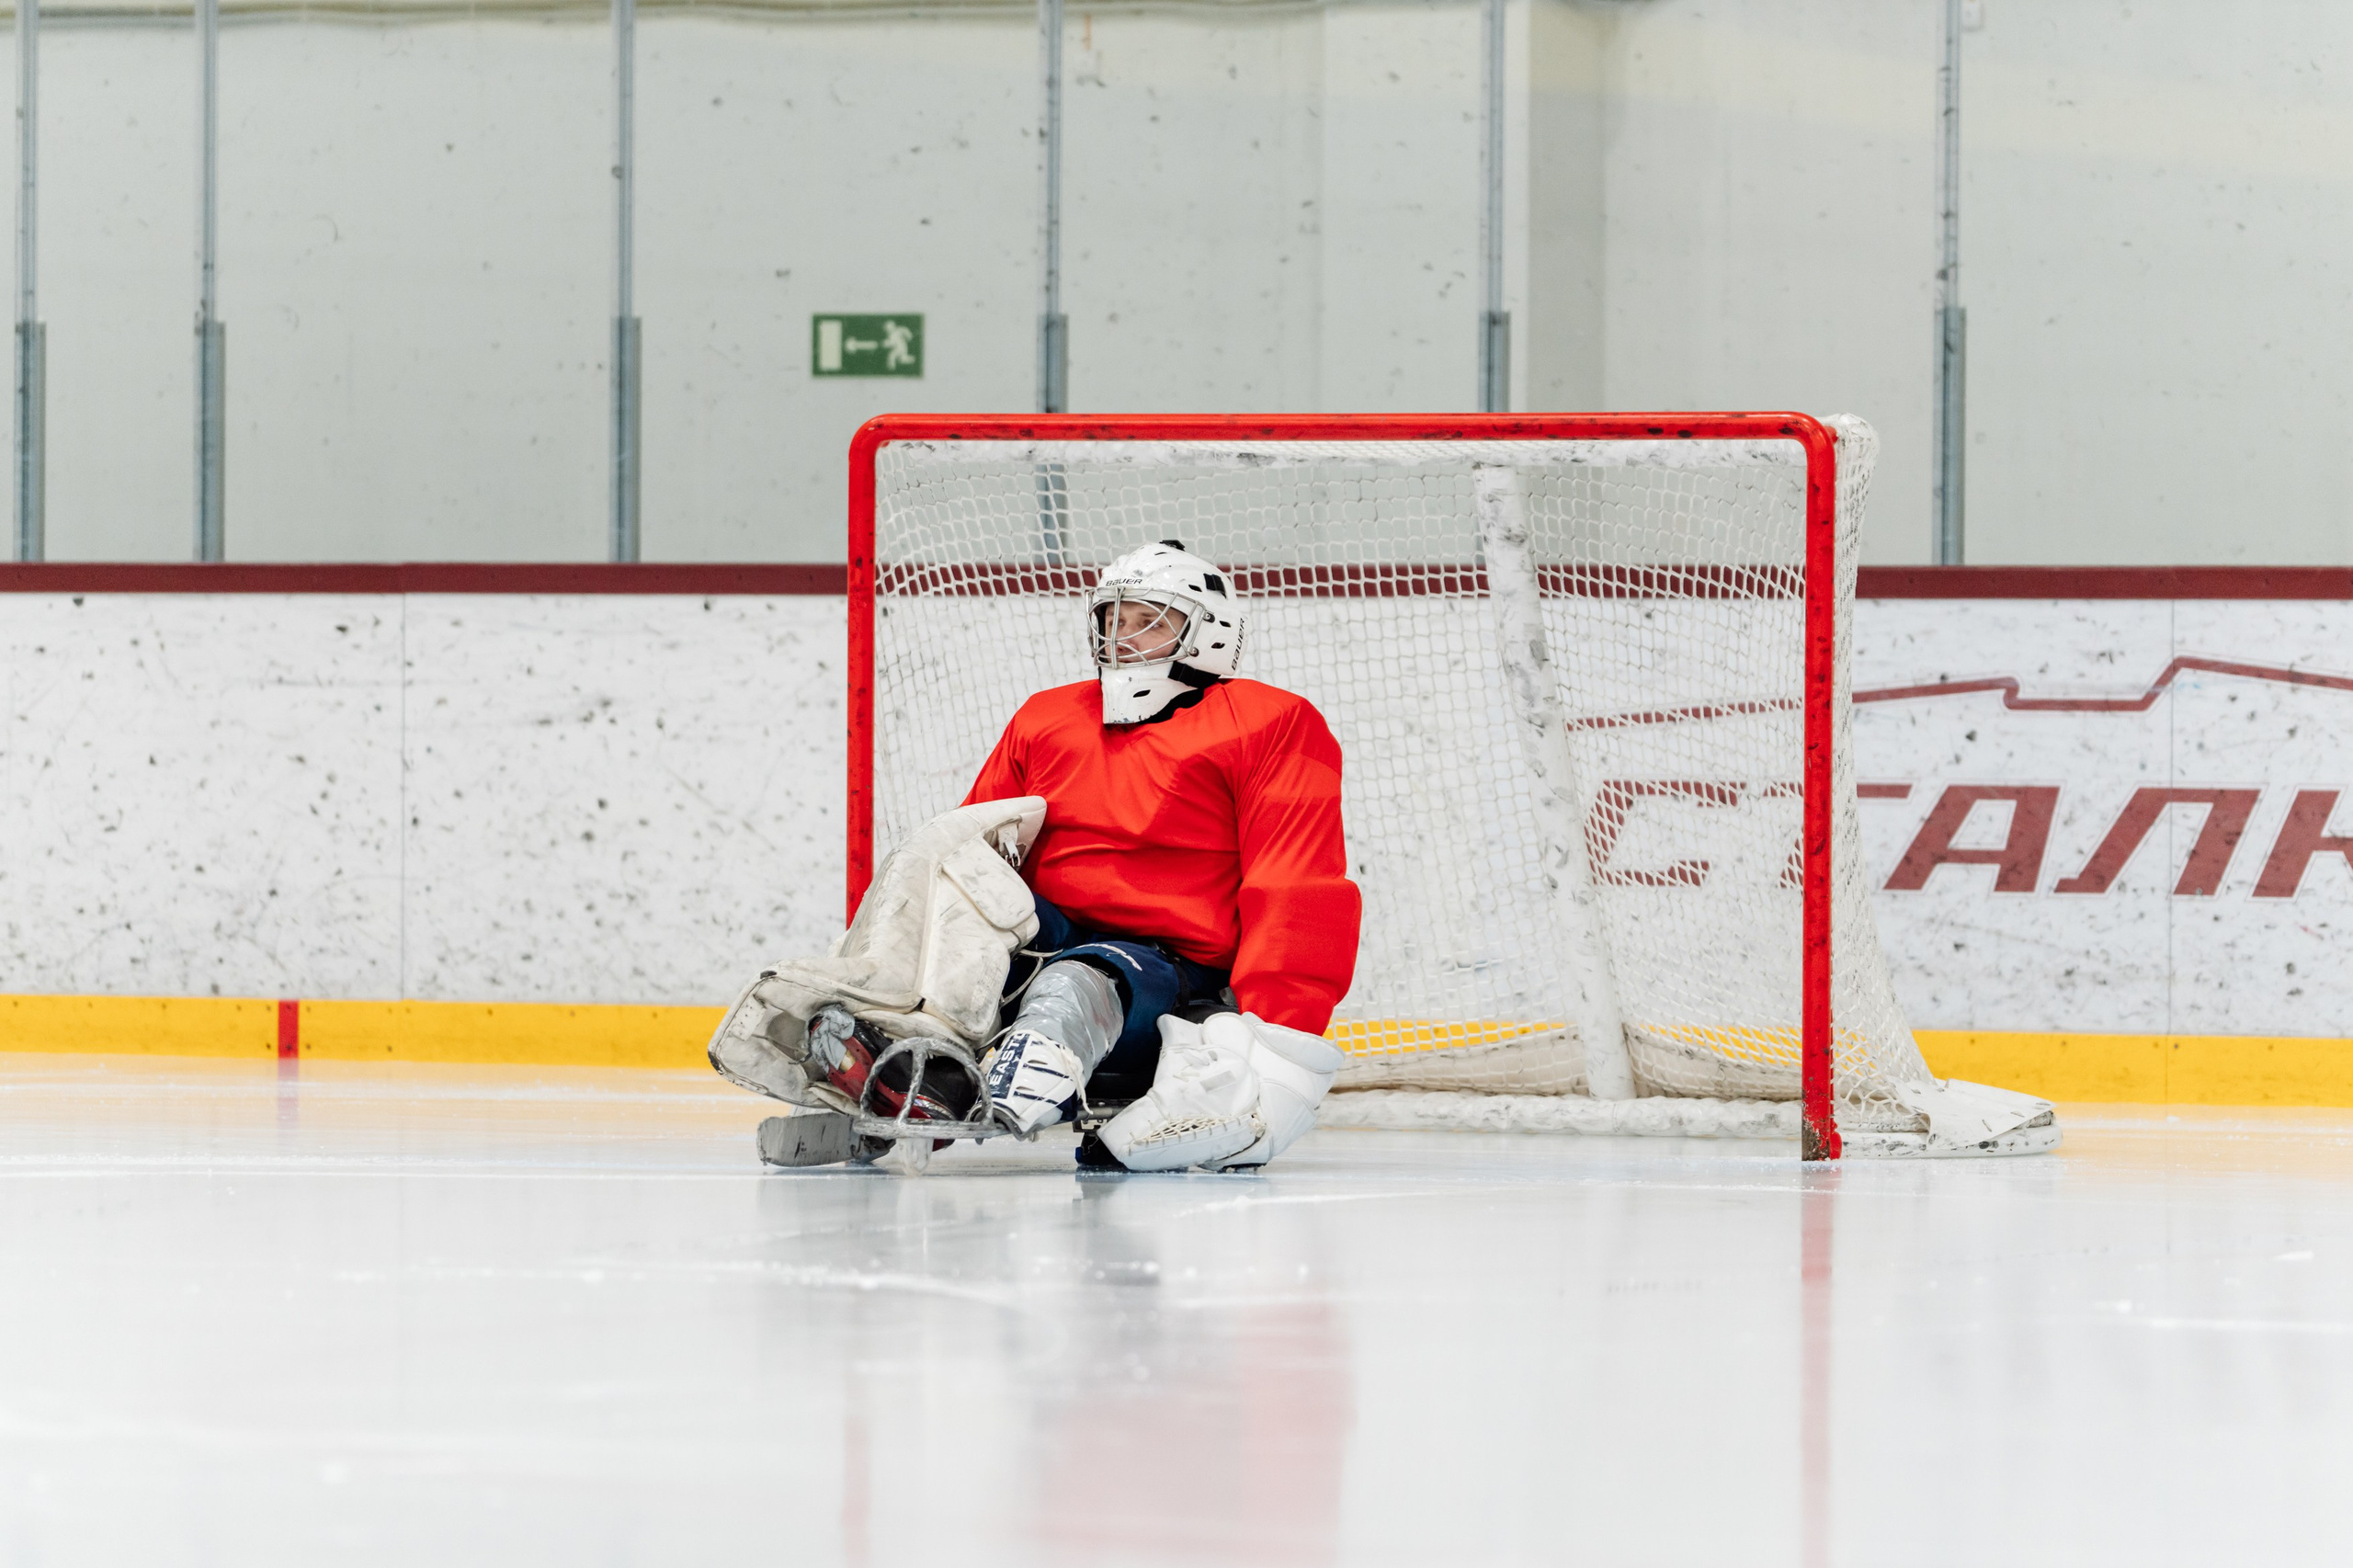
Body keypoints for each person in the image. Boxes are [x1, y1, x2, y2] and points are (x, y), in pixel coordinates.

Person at [959, 540, 1361, 1170]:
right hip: (1056, 938)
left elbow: (1296, 890)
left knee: (1078, 979)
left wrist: (1274, 1046)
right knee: (954, 911)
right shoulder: (1047, 717)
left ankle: (1024, 1080)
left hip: (1178, 977)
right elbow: (977, 854)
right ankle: (898, 1062)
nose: (1122, 636)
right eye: (1112, 619)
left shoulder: (1271, 722)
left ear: (1209, 634)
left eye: (1149, 619)